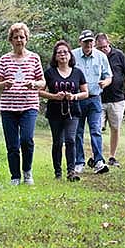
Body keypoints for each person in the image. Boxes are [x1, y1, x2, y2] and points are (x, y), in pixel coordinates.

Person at [0, 22, 46, 186]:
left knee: (26, 139)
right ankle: (15, 176)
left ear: (26, 39)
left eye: (22, 37)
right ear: (11, 40)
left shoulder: (34, 58)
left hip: (29, 105)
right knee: (12, 144)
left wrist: (34, 84)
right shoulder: (4, 59)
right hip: (8, 106)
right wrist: (5, 84)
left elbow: (42, 82)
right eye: (15, 37)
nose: (19, 40)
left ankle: (27, 172)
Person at [39, 40, 89, 182]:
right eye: (59, 52)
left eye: (65, 52)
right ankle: (58, 172)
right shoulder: (49, 73)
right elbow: (40, 92)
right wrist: (54, 96)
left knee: (70, 139)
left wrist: (74, 96)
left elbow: (85, 92)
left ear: (70, 55)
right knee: (57, 142)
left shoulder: (78, 72)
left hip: (73, 111)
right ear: (55, 56)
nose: (62, 55)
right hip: (55, 111)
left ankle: (71, 172)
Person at [72, 29, 112, 174]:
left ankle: (99, 161)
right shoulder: (73, 55)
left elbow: (109, 76)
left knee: (96, 129)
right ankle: (79, 162)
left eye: (90, 41)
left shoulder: (101, 56)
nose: (88, 44)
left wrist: (105, 83)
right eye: (85, 42)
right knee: (78, 131)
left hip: (95, 98)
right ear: (80, 42)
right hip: (77, 98)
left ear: (94, 43)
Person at [95, 33, 125, 167]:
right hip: (98, 98)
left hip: (117, 99)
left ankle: (112, 156)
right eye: (100, 48)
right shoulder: (95, 56)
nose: (103, 50)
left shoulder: (119, 55)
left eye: (104, 47)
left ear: (108, 43)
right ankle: (97, 157)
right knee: (97, 128)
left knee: (115, 128)